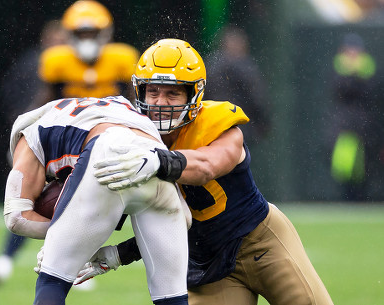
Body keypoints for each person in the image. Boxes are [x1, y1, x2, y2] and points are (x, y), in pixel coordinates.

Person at [73, 39, 334, 305]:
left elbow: (206, 166)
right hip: (208, 265)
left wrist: (159, 161)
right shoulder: (133, 140)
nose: (160, 102)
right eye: (153, 91)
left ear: (194, 95)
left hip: (261, 243)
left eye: (172, 93)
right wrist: (116, 252)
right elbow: (169, 220)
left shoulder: (217, 125)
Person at [5, 95, 190, 305]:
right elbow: (185, 220)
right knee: (172, 298)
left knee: (51, 281)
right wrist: (117, 253)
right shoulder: (122, 109)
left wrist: (67, 231)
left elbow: (16, 217)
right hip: (155, 157)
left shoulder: (31, 134)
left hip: (104, 150)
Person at [0, 19, 68, 287]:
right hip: (50, 143)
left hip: (82, 145)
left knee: (76, 203)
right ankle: (7, 258)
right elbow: (31, 101)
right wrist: (23, 134)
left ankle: (69, 261)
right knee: (28, 202)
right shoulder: (38, 65)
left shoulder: (88, 66)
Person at [30, 0, 139, 109]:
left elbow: (133, 98)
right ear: (70, 33)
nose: (87, 39)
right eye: (81, 34)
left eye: (92, 33)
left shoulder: (123, 58)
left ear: (104, 32)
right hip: (71, 120)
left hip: (114, 117)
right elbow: (46, 99)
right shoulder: (55, 59)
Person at [328, 32, 379, 200]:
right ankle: (347, 196)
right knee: (344, 165)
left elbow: (370, 92)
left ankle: (360, 197)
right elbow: (340, 91)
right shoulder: (338, 69)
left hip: (365, 126)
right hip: (346, 125)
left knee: (364, 165)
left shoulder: (369, 69)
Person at [205, 26, 271, 148]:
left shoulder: (211, 65)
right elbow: (257, 97)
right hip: (239, 127)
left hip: (212, 127)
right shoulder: (246, 67)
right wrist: (263, 123)